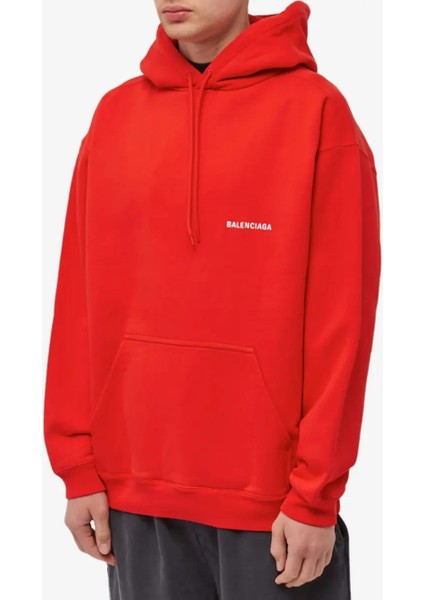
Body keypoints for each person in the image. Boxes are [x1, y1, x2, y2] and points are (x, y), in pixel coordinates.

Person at [43, 1, 381, 598]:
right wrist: (78, 466)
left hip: (274, 509)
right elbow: (78, 304)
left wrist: (315, 493)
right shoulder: (115, 115)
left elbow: (341, 322)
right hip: (133, 495)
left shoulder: (316, 113)